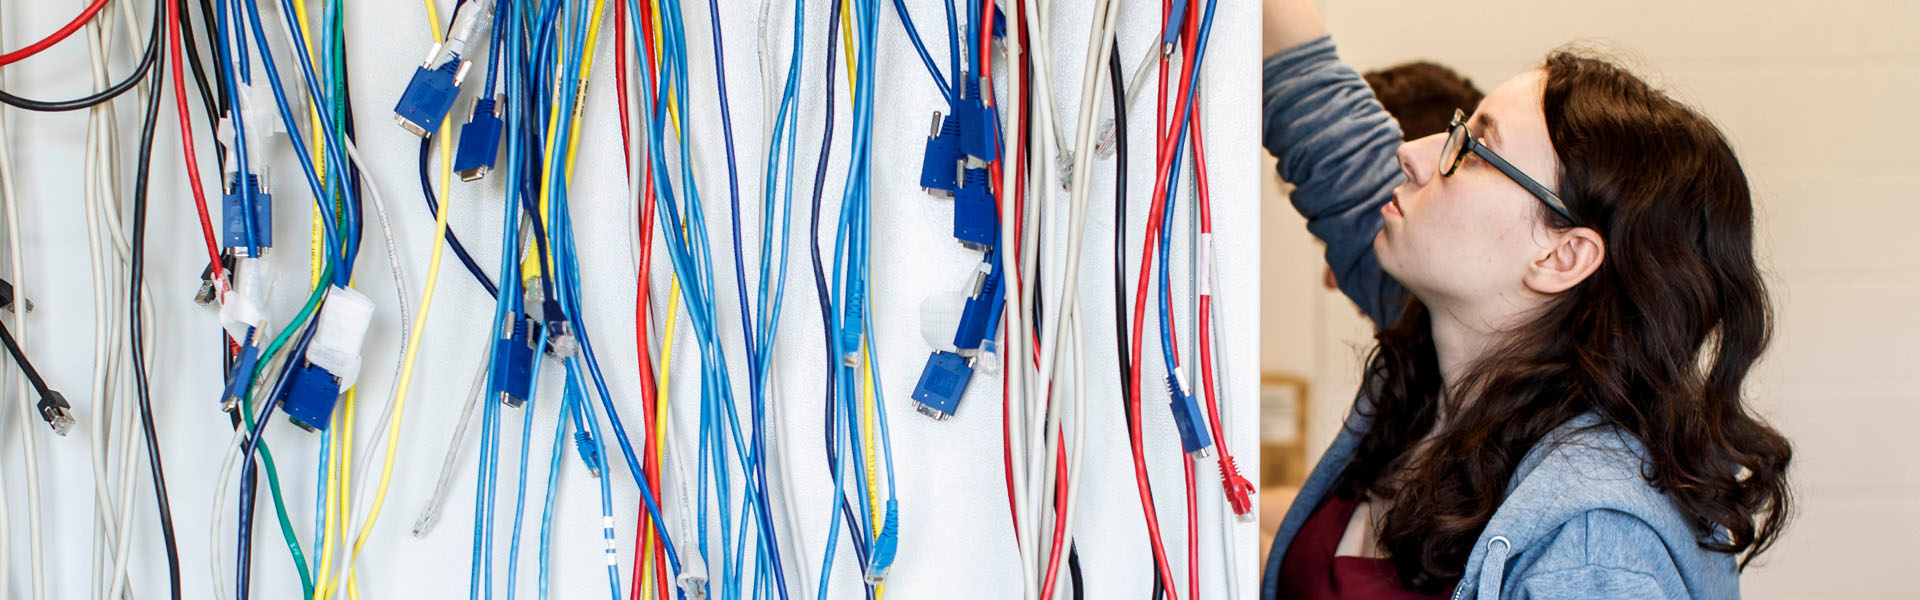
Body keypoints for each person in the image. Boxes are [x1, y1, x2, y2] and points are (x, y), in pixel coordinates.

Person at [1259, 0, 1793, 598]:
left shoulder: (1594, 551)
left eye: (1473, 150)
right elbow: (1316, 108)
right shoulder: (1443, 360)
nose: (1412, 154)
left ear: (1560, 257)